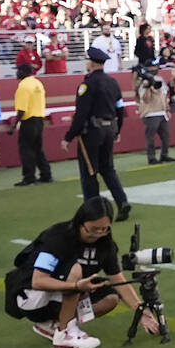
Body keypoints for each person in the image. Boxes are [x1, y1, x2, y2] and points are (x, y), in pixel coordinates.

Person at [3, 197, 159, 348]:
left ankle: (53, 326)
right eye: (93, 229)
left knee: (110, 298)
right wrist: (76, 286)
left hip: (60, 293)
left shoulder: (106, 244)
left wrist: (140, 310)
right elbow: (38, 280)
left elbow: (117, 278)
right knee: (76, 269)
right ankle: (64, 334)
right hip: (31, 297)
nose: (98, 234)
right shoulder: (57, 236)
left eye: (104, 229)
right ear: (80, 222)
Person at [61, 47, 130, 221]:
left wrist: (68, 137)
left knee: (89, 172)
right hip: (109, 129)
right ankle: (122, 201)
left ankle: (93, 211)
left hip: (91, 132)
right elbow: (120, 108)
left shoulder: (87, 85)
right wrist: (118, 130)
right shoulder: (113, 82)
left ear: (91, 63)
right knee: (108, 169)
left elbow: (81, 114)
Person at [9, 63, 52, 186]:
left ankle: (29, 177)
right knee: (38, 148)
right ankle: (46, 174)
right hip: (39, 119)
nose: (17, 73)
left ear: (23, 72)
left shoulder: (23, 86)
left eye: (18, 70)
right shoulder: (38, 83)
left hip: (28, 121)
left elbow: (22, 109)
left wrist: (14, 125)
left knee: (26, 149)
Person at [135, 66, 173, 165]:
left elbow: (164, 94)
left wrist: (167, 109)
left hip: (162, 112)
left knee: (166, 135)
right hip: (150, 113)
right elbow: (146, 99)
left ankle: (164, 155)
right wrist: (148, 86)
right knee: (150, 137)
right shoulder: (143, 83)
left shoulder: (160, 79)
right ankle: (151, 157)